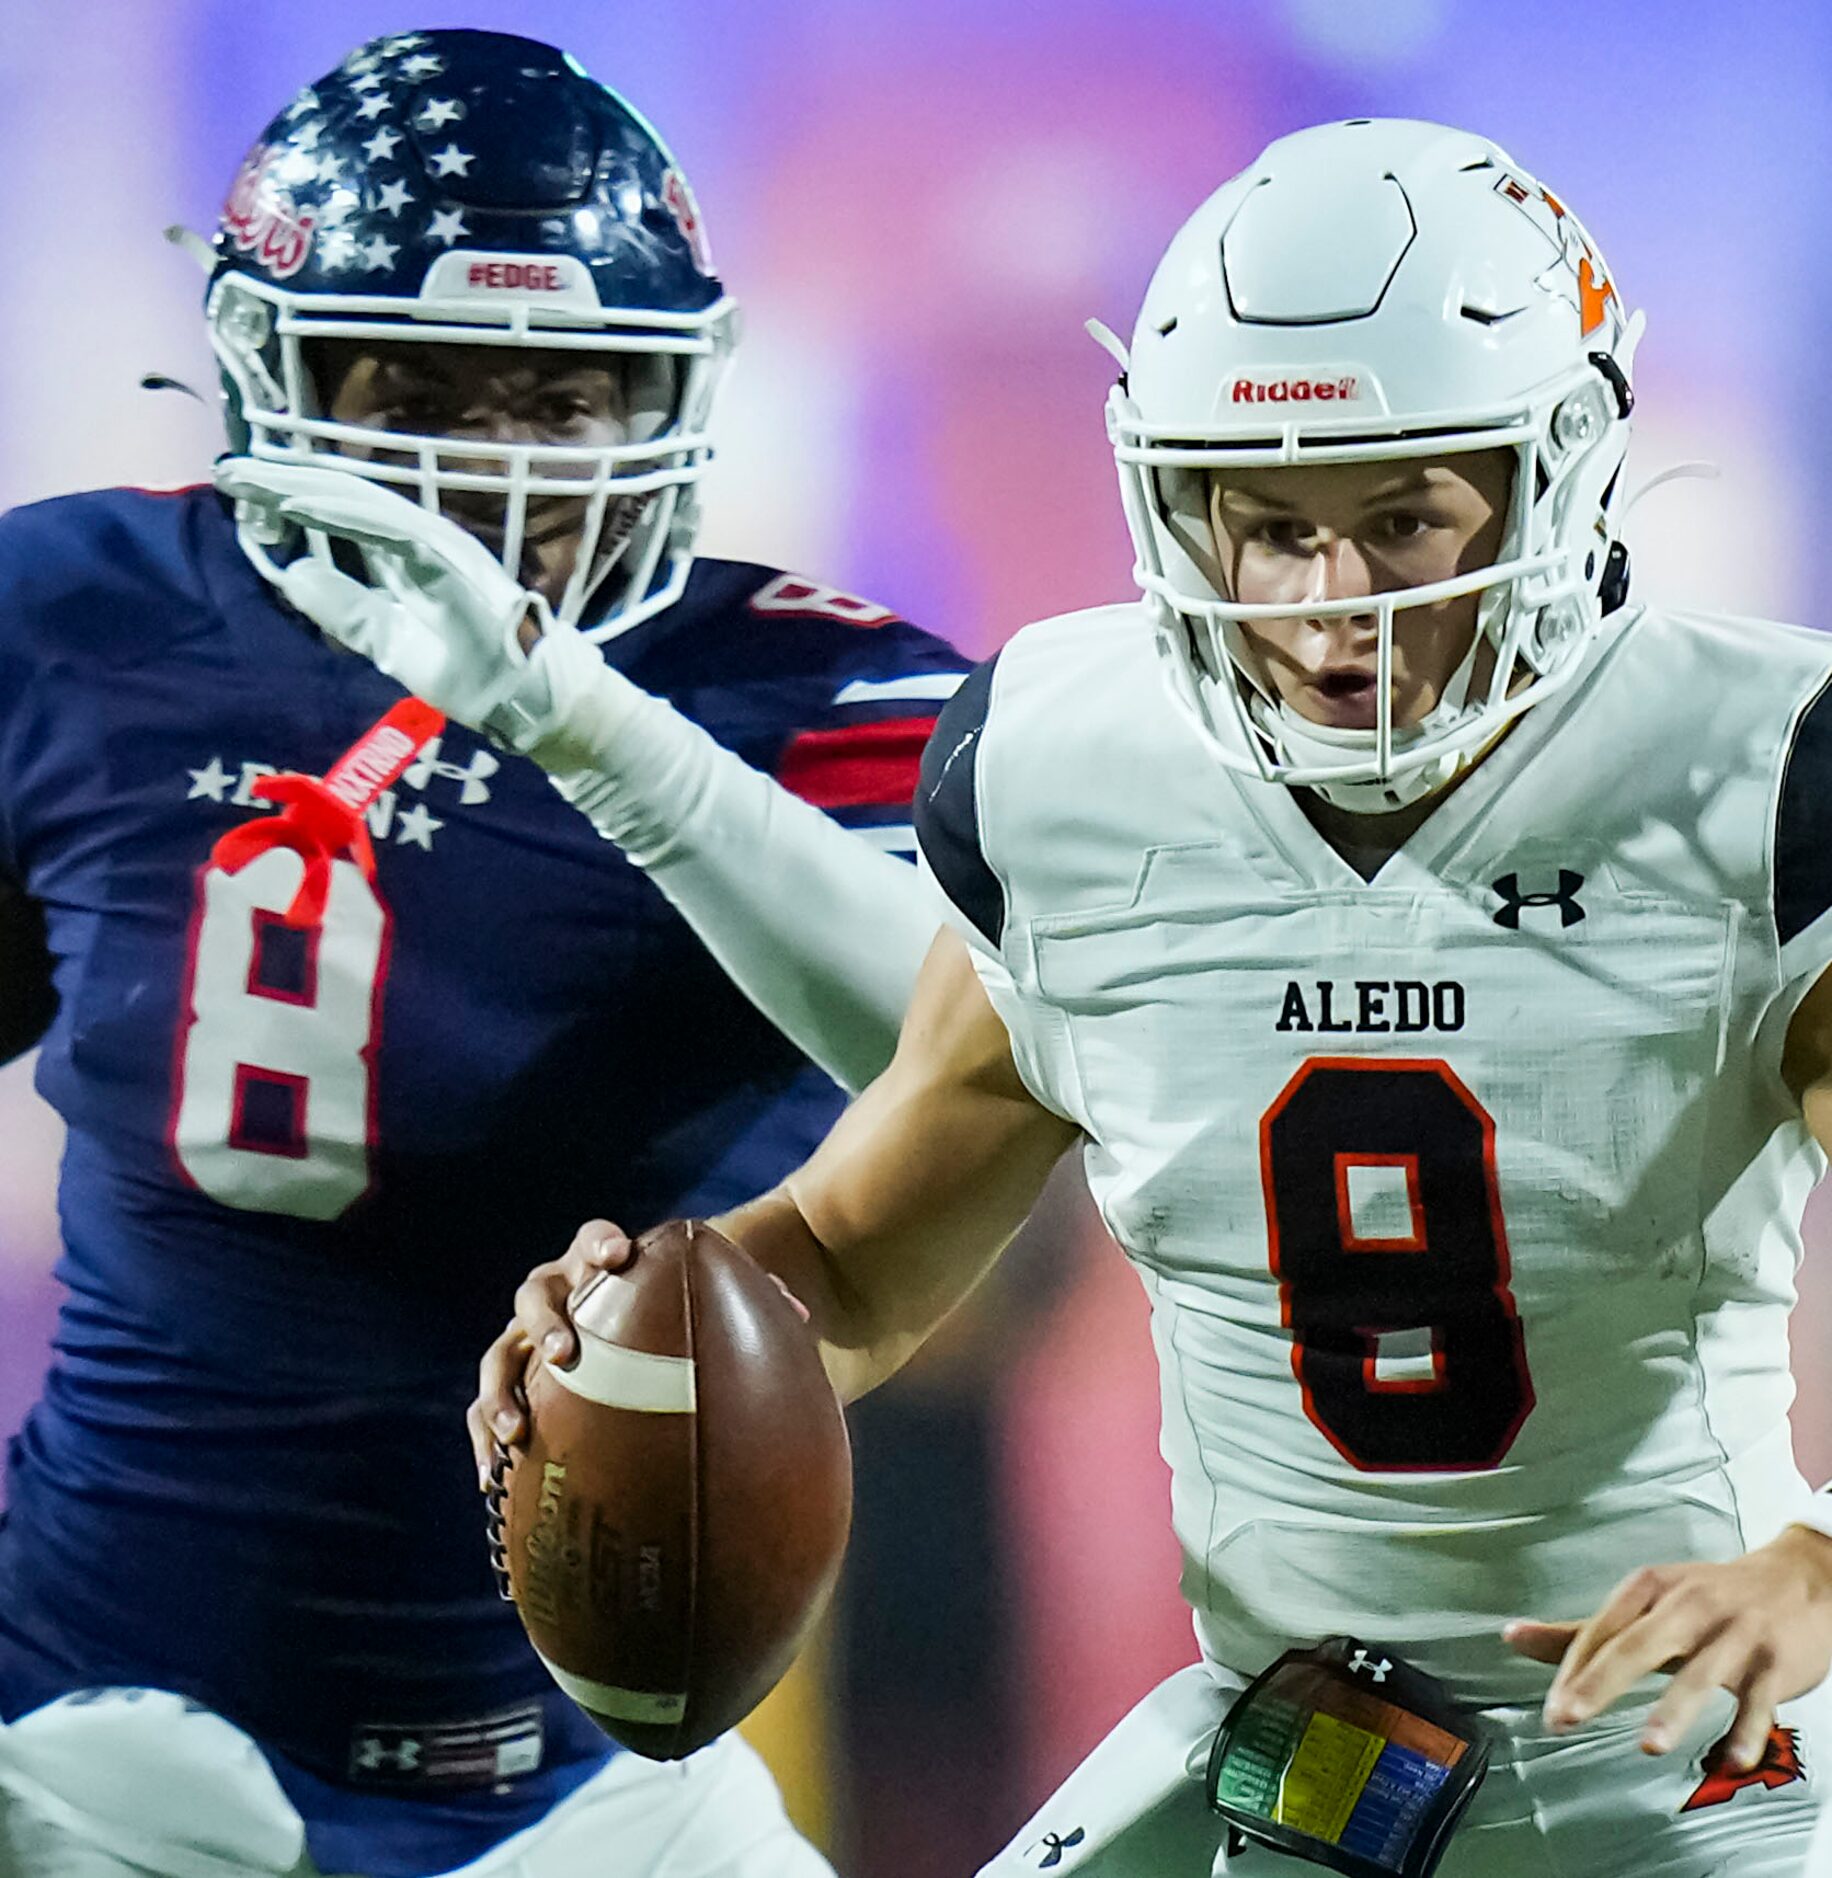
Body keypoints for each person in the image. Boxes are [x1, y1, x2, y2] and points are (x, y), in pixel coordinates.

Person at [481, 120, 1832, 1875]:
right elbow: (861, 1259)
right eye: (1271, 526)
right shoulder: (1065, 766)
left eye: (1405, 517)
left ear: (1561, 469)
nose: (1331, 603)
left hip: (1690, 1745)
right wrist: (659, 1319)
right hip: (1284, 1740)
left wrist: (1815, 1565)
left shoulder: (1758, 777)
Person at [0, 28, 966, 1878]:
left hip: (615, 1780)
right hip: (102, 1737)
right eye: (427, 381)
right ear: (269, 365)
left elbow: (950, 1046)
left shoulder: (808, 686)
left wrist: (566, 709)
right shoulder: (76, 614)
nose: (497, 464)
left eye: (569, 393)